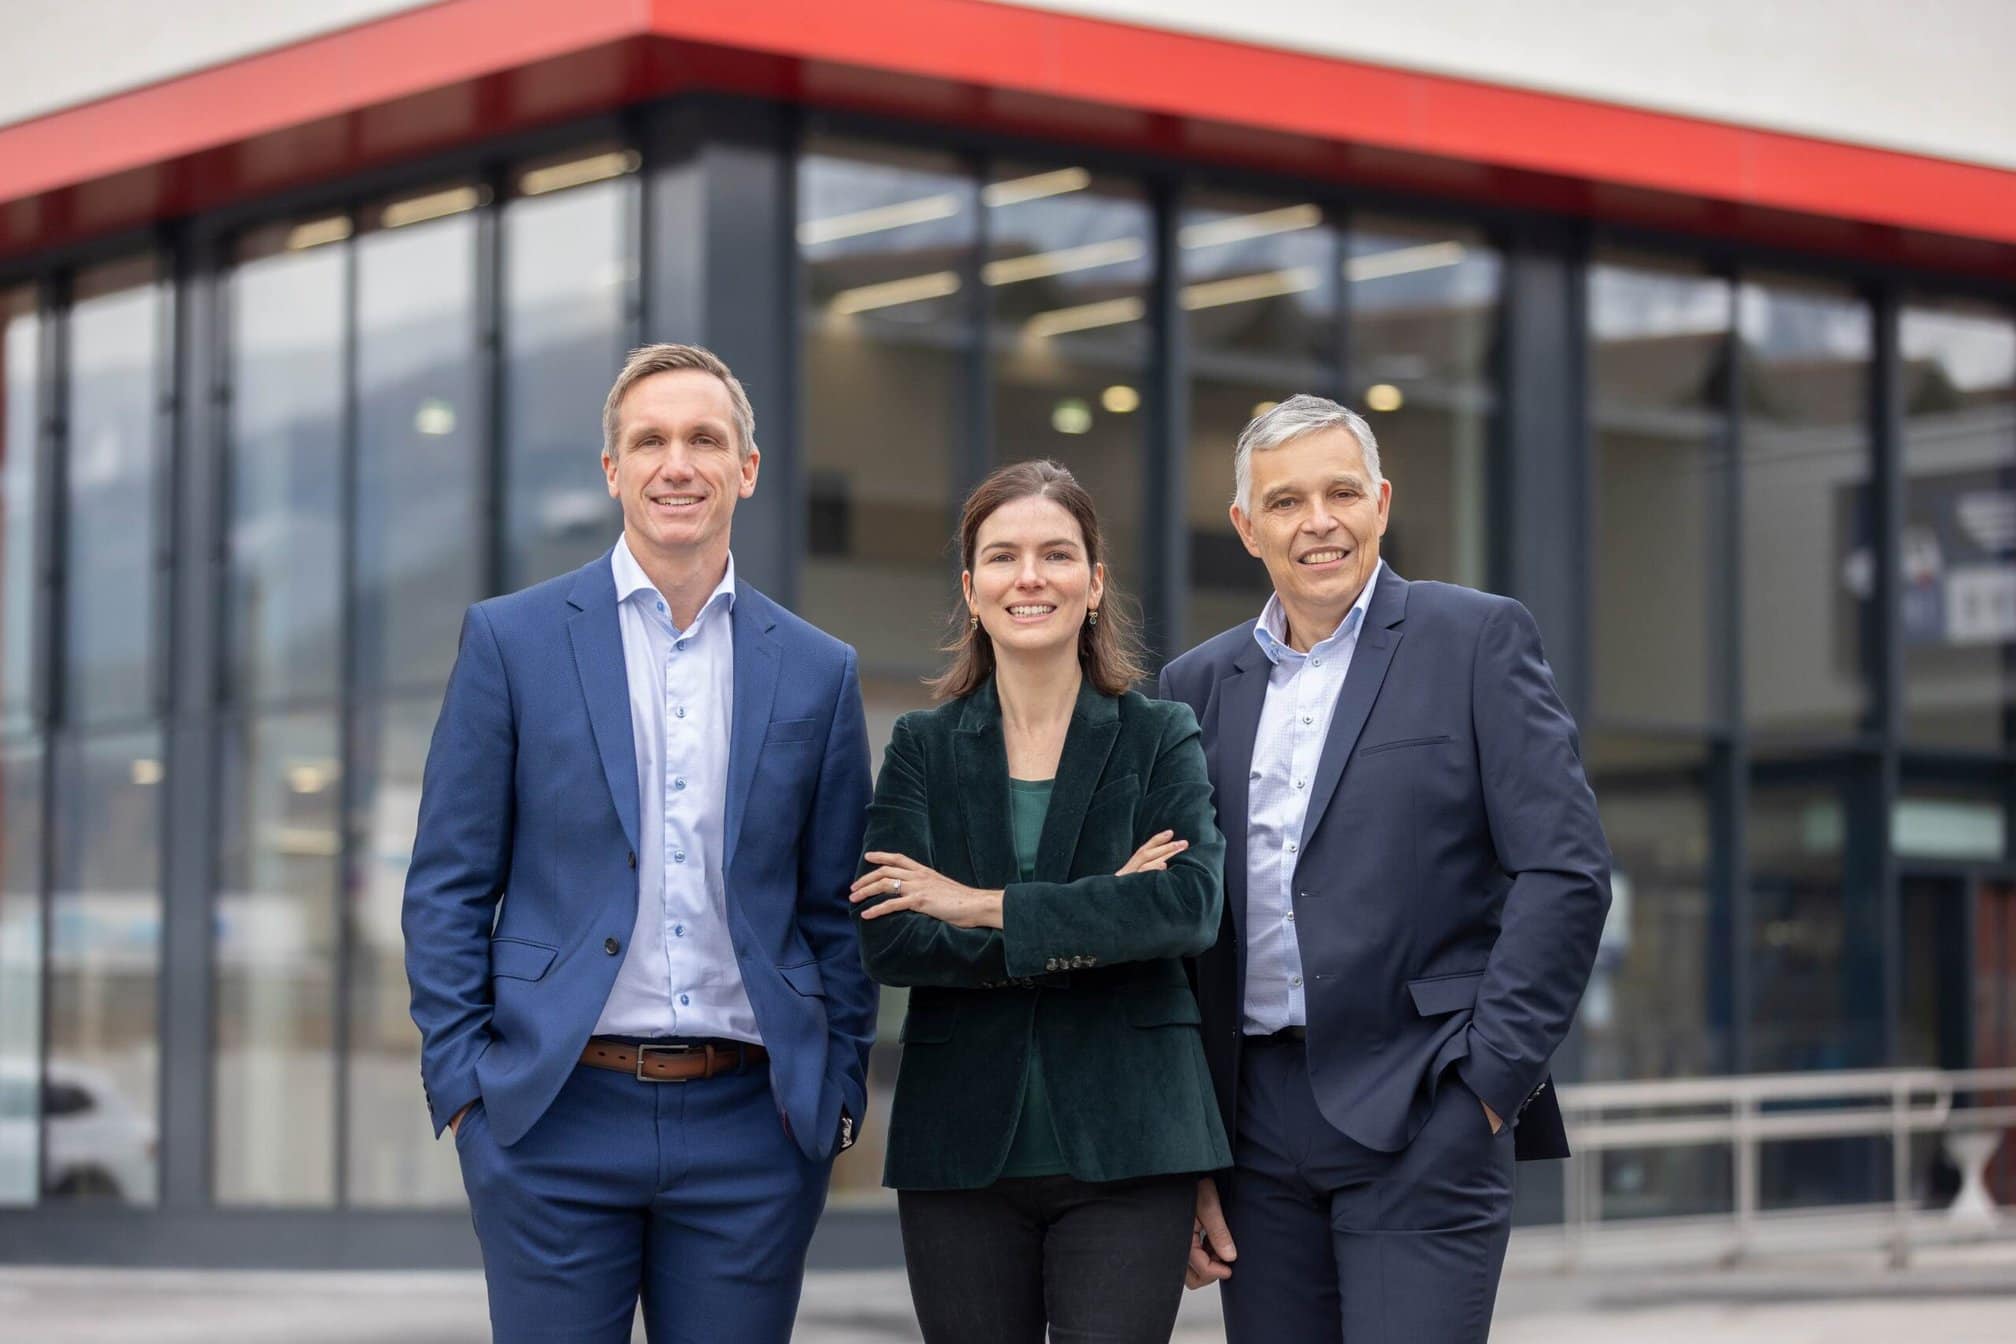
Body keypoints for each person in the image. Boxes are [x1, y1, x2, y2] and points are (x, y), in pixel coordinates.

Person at [403, 343, 876, 1343]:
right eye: (649, 440)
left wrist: (831, 1095)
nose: (678, 463)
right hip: (552, 1114)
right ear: (612, 470)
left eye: (706, 439)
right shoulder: (512, 641)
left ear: (746, 469)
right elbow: (448, 882)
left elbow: (835, 907)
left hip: (754, 1129)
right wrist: (464, 1089)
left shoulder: (818, 670)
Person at [1157, 395, 1611, 1343]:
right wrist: (1192, 1145)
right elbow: (1185, 918)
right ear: (1246, 527)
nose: (1317, 522)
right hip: (1253, 1130)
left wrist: (1489, 1084)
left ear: (1382, 504)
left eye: (1341, 493)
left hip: (1425, 1107)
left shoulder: (1475, 639)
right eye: (1284, 502)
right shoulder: (1196, 687)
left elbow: (1564, 871)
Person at [850, 460, 1230, 1344]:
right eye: (1003, 557)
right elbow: (892, 937)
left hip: (1134, 1145)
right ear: (971, 590)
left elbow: (1185, 909)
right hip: (960, 1152)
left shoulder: (1157, 733)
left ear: (1095, 584)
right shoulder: (922, 746)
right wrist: (1101, 920)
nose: (1031, 577)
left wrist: (978, 906)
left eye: (1057, 555)